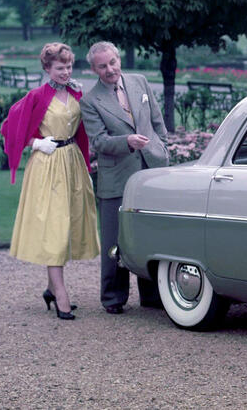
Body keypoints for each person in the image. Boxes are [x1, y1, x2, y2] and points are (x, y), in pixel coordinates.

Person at [2, 43, 100, 320]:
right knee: (55, 229)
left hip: (71, 163)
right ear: (47, 69)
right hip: (47, 165)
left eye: (69, 66)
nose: (66, 72)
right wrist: (35, 143)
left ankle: (50, 288)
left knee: (68, 226)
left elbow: (83, 129)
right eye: (60, 68)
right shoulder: (36, 96)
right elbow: (9, 128)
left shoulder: (76, 93)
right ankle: (61, 294)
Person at [79, 41, 169, 314]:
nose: (110, 70)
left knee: (151, 234)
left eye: (112, 63)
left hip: (151, 171)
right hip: (117, 178)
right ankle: (113, 297)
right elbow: (98, 142)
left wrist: (161, 147)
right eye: (102, 66)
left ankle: (152, 296)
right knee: (115, 240)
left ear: (119, 60)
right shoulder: (90, 100)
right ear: (94, 69)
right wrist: (128, 141)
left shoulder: (139, 82)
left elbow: (157, 121)